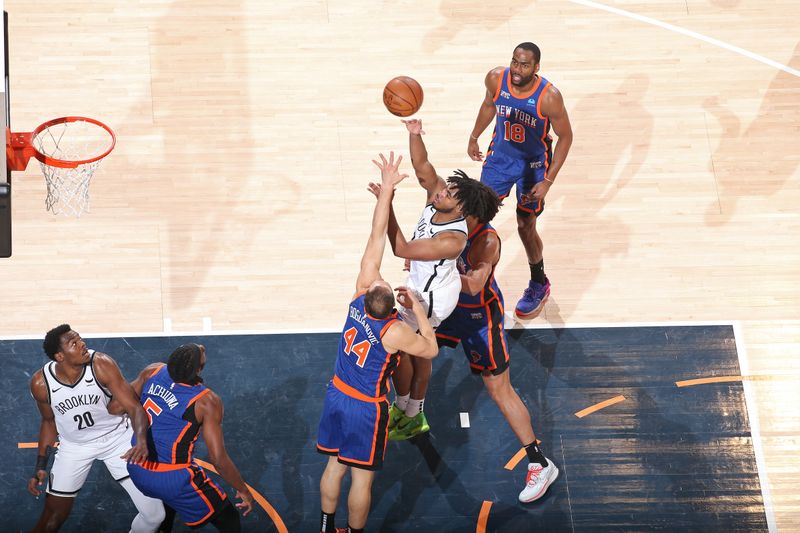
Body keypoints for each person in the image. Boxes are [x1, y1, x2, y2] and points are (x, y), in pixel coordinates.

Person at [316, 152, 440, 533]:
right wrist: (418, 309)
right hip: (366, 409)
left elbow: (375, 238)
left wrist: (385, 191)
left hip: (336, 394)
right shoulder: (394, 333)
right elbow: (431, 349)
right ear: (389, 306)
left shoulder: (357, 297)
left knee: (333, 466)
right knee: (363, 480)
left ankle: (325, 526)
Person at [468, 41, 573, 319]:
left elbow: (566, 137)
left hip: (534, 166)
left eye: (524, 64)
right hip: (500, 159)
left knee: (525, 224)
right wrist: (474, 135)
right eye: (515, 61)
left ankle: (539, 283)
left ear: (536, 67)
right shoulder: (495, 78)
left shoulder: (549, 96)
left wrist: (548, 181)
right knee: (476, 213)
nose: (517, 69)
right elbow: (489, 104)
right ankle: (467, 276)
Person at [27, 324, 165, 533]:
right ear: (60, 356)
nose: (82, 344)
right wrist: (40, 465)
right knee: (51, 518)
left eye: (80, 339)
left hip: (117, 439)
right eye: (74, 343)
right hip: (75, 447)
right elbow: (48, 422)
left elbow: (134, 407)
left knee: (155, 515)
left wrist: (141, 441)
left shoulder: (101, 364)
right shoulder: (41, 383)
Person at [124, 343, 254, 532]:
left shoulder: (152, 371)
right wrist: (243, 489)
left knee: (165, 512)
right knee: (229, 518)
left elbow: (120, 405)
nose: (202, 346)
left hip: (137, 466)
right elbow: (218, 459)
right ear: (198, 369)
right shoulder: (206, 401)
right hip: (173, 478)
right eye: (200, 353)